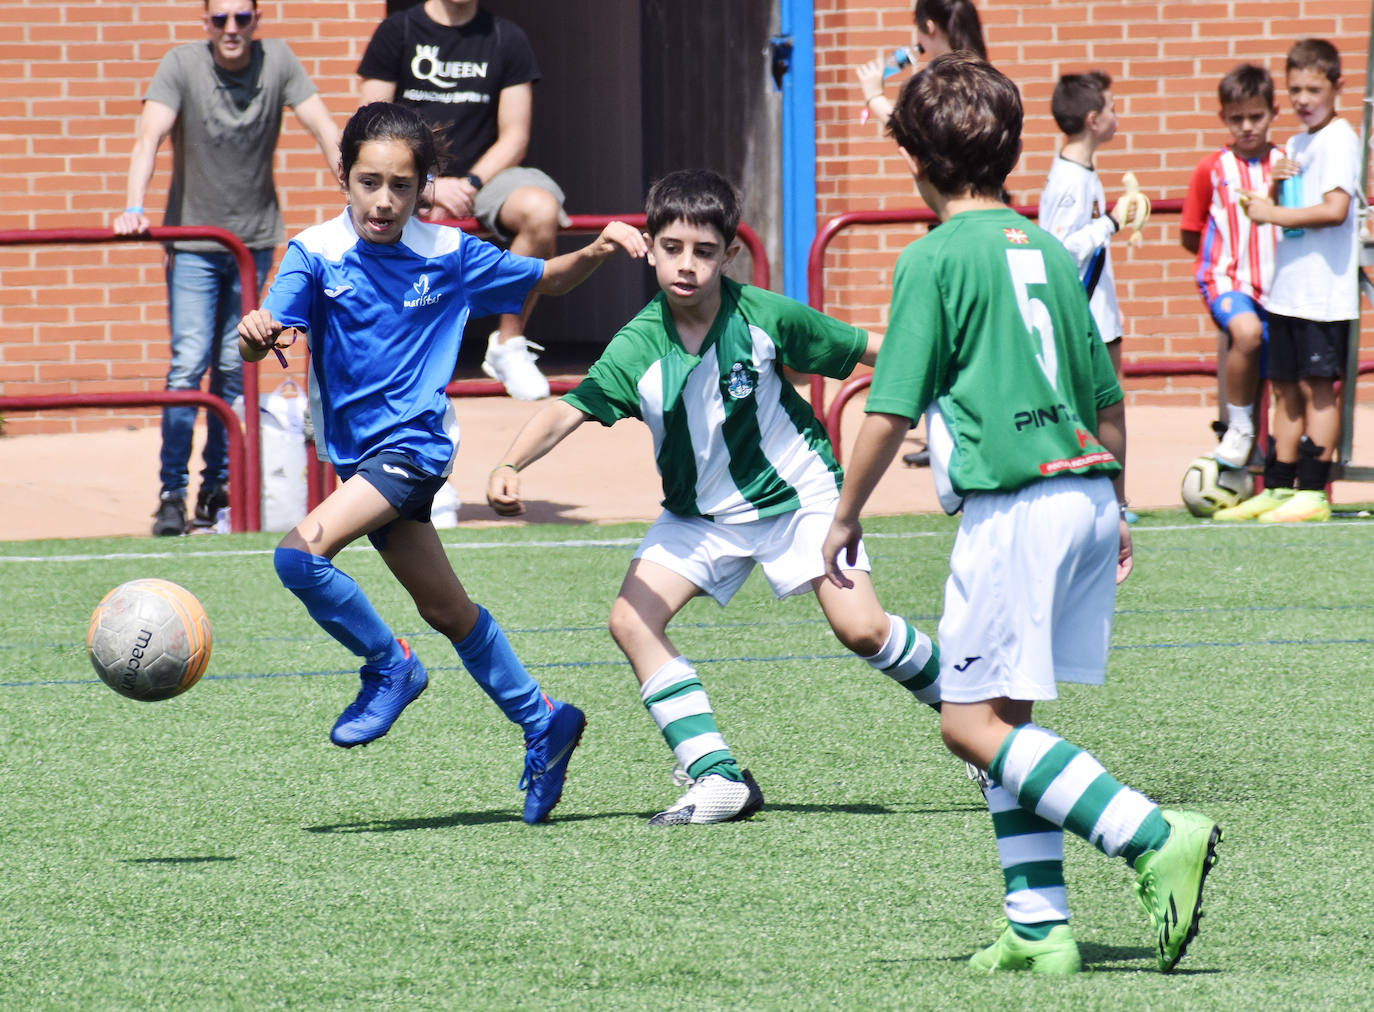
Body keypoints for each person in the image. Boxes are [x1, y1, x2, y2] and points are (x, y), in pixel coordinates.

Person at [822, 54, 1221, 974]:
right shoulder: (1045, 244)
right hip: (1083, 490)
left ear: (915, 161)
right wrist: (1117, 505)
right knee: (1006, 712)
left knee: (966, 725)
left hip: (1017, 506)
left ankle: (1151, 833)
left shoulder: (930, 258)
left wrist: (845, 516)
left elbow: (888, 407)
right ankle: (1040, 925)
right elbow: (1107, 396)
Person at [486, 169, 942, 826]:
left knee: (863, 629)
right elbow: (572, 408)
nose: (688, 265)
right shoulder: (638, 344)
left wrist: (951, 372)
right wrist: (510, 462)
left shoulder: (764, 316)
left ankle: (975, 719)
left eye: (704, 251)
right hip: (700, 517)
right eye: (672, 247)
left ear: (729, 253)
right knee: (631, 620)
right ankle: (717, 775)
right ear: (650, 246)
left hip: (797, 501)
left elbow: (868, 347)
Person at [236, 102, 646, 823]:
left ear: (424, 186)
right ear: (344, 177)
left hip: (414, 449)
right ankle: (543, 719)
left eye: (401, 184)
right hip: (359, 459)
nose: (384, 200)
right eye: (369, 182)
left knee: (300, 557)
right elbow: (268, 328)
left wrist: (600, 250)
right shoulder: (315, 253)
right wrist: (253, 335)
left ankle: (389, 667)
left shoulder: (448, 255)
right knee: (448, 609)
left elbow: (543, 278)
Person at [113, 0, 341, 537]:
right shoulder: (182, 64)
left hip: (253, 242)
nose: (232, 29)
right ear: (206, 22)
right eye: (221, 19)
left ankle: (215, 488)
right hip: (194, 243)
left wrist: (353, 182)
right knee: (188, 365)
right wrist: (134, 206)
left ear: (257, 21)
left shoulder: (278, 60)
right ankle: (171, 493)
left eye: (243, 18)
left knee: (234, 367)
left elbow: (325, 128)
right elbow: (150, 136)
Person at [358, 0, 569, 401]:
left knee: (541, 208)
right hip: (407, 177)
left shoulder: (507, 37)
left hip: (485, 180)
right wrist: (428, 186)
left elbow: (515, 137)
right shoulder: (398, 32)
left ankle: (508, 344)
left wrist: (468, 184)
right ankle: (397, 360)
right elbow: (372, 127)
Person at [1217, 39, 1360, 524]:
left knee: (1319, 387)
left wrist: (1272, 211)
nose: (1302, 98)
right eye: (1294, 88)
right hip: (1289, 289)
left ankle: (1315, 489)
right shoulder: (1295, 143)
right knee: (1283, 387)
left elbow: (1335, 209)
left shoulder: (1341, 137)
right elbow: (1278, 206)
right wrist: (1275, 183)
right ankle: (1278, 485)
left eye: (1312, 88)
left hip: (1324, 294)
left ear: (1336, 87)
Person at [854, 0, 988, 470]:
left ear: (929, 27)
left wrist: (873, 94)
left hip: (960, 213)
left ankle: (943, 424)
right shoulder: (977, 71)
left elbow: (916, 133)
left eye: (920, 33)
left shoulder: (948, 77)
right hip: (990, 211)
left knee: (943, 326)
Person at [1180, 64, 1284, 470]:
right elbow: (1191, 233)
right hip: (1225, 279)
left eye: (1255, 116)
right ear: (1223, 117)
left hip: (1278, 285)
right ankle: (1238, 427)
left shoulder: (1286, 162)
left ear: (1273, 111)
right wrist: (1222, 259)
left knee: (1275, 372)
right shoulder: (1212, 168)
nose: (1247, 126)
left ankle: (1266, 459)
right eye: (1236, 118)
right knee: (1247, 332)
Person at [1040, 71, 1147, 381]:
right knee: (1104, 414)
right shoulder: (1071, 181)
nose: (1117, 117)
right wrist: (1111, 222)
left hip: (1097, 316)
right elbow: (1061, 250)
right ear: (1093, 120)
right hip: (1084, 321)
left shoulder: (1081, 172)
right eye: (1112, 108)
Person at [854, 0, 986, 126]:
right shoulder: (992, 81)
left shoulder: (937, 84)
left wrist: (875, 97)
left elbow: (914, 135)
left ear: (930, 27)